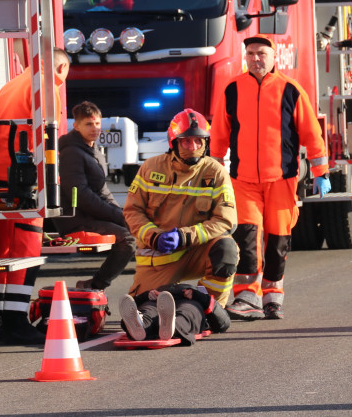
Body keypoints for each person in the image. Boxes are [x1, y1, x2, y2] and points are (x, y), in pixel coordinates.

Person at [210, 35, 331, 321]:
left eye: (262, 53)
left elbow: (312, 134)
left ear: (274, 57)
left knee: (278, 241)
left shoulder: (290, 89)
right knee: (246, 238)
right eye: (250, 53)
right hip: (243, 180)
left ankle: (273, 298)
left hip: (282, 179)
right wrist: (212, 171)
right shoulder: (233, 89)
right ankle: (247, 296)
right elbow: (219, 134)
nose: (256, 58)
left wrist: (321, 172)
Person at [0, 47, 70, 344]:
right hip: (26, 178)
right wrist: (53, 182)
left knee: (3, 246)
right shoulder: (45, 87)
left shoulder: (9, 86)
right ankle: (15, 320)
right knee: (27, 246)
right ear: (60, 68)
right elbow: (48, 137)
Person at [123, 109, 239, 309]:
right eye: (186, 141)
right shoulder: (151, 168)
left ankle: (210, 308)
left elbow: (226, 220)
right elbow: (132, 212)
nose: (193, 147)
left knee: (226, 250)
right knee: (145, 308)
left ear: (206, 143)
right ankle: (171, 303)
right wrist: (154, 236)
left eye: (198, 141)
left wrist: (185, 236)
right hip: (159, 256)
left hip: (197, 252)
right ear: (174, 142)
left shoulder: (215, 172)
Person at [55, 100, 136, 295]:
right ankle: (95, 286)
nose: (95, 128)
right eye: (89, 124)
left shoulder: (92, 150)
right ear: (76, 126)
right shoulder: (72, 153)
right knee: (128, 239)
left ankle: (97, 286)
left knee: (136, 228)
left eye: (97, 123)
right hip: (75, 219)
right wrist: (118, 216)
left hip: (90, 215)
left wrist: (123, 214)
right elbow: (82, 195)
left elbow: (103, 191)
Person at [118, 283, 231, 346]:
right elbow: (130, 306)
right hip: (160, 299)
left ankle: (169, 324)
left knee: (186, 314)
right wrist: (147, 295)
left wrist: (198, 296)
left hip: (190, 300)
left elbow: (224, 323)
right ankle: (141, 323)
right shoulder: (161, 292)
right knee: (147, 311)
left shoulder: (198, 294)